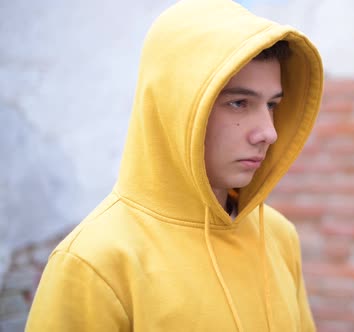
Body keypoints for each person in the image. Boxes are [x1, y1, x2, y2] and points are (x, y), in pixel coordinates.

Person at [25, 0, 323, 330]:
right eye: (239, 103)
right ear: (175, 107)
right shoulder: (94, 262)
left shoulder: (279, 237)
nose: (268, 132)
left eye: (272, 105)